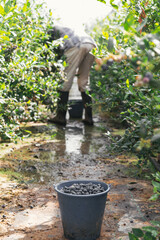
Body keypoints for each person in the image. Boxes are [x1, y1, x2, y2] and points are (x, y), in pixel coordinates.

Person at [47, 25, 97, 126]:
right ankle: (89, 117)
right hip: (91, 44)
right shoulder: (67, 28)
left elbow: (51, 50)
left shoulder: (50, 30)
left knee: (65, 80)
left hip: (76, 44)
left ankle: (61, 117)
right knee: (84, 82)